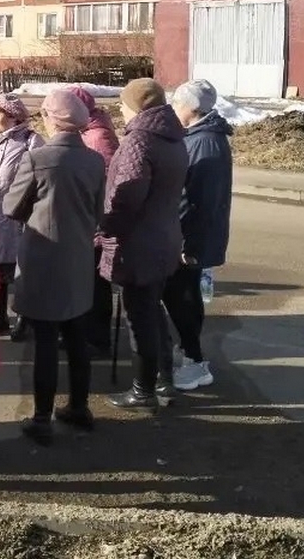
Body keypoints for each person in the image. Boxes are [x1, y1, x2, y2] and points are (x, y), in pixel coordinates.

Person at [3, 91, 105, 445]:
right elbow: (99, 213)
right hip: (78, 259)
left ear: (53, 119)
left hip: (43, 260)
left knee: (45, 342)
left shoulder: (38, 159)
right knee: (77, 337)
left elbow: (12, 207)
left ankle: (42, 417)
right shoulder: (94, 161)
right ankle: (79, 406)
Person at [100, 78, 188, 412]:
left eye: (123, 104)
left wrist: (107, 227)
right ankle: (164, 378)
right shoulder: (172, 137)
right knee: (154, 311)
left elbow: (128, 195)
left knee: (141, 318)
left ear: (137, 105)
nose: (120, 110)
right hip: (164, 237)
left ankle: (143, 389)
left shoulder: (139, 141)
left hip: (139, 244)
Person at [167, 79, 233, 391]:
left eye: (177, 103)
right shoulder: (200, 136)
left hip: (191, 238)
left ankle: (194, 362)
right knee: (185, 294)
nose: (173, 109)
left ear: (192, 108)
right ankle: (189, 352)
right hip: (190, 235)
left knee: (183, 297)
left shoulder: (205, 142)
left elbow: (201, 199)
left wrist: (188, 242)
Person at [0, 93, 43, 339]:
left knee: (21, 269)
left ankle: (25, 317)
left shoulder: (31, 142)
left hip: (18, 218)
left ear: (12, 117)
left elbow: (40, 179)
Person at [68, 86, 121, 356]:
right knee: (85, 280)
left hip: (95, 221)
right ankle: (85, 333)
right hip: (84, 218)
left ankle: (97, 337)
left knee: (97, 283)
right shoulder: (86, 132)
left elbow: (112, 181)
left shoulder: (98, 136)